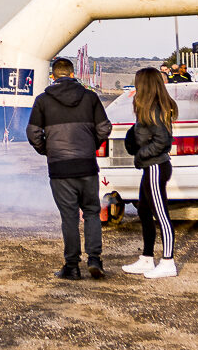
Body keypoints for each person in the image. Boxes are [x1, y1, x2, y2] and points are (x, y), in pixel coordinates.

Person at [26, 57, 110, 279]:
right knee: (92, 212)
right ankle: (95, 260)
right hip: (87, 166)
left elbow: (33, 132)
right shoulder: (90, 97)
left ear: (53, 76)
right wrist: (91, 145)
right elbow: (105, 127)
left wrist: (47, 150)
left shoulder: (43, 100)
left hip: (60, 169)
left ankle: (72, 266)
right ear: (73, 75)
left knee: (69, 217)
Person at [122, 68, 179, 278]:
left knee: (160, 214)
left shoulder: (154, 108)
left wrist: (140, 156)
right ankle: (147, 258)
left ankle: (168, 261)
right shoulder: (149, 107)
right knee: (144, 211)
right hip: (151, 166)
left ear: (144, 84)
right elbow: (146, 133)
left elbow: (163, 141)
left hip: (155, 166)